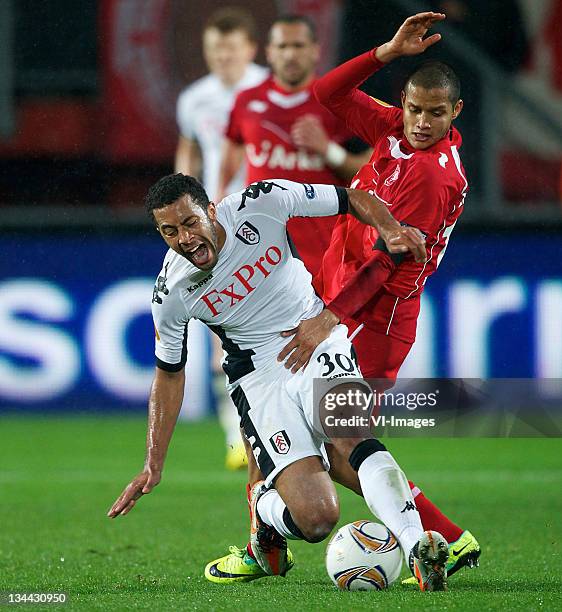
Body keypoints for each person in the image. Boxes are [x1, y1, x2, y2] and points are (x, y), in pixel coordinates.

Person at [207, 12, 480, 586]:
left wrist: (325, 319)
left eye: (436, 113)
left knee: (337, 448)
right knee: (272, 426)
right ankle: (267, 548)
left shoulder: (431, 177)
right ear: (402, 105)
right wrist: (386, 51)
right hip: (331, 300)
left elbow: (387, 263)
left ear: (456, 113)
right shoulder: (394, 132)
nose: (422, 122)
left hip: (368, 319)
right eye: (414, 109)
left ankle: (444, 538)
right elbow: (326, 92)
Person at [107, 172, 451, 592]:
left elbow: (353, 198)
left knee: (350, 434)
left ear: (211, 210)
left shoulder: (262, 202)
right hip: (259, 379)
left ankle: (419, 549)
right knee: (317, 519)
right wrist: (153, 463)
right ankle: (264, 511)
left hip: (314, 336)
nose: (185, 238)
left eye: (191, 222)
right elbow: (169, 374)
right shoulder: (171, 291)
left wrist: (391, 229)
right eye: (170, 231)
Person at [175, 7, 268, 470]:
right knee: (220, 330)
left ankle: (280, 428)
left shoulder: (267, 91)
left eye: (230, 49)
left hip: (265, 224)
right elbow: (189, 151)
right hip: (212, 229)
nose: (222, 58)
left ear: (249, 50)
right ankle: (238, 437)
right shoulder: (195, 99)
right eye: (214, 49)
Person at [218, 14, 371, 277]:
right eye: (282, 46)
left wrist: (328, 150)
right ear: (269, 52)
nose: (290, 55)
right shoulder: (246, 101)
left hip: (325, 252)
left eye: (298, 46)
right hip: (260, 255)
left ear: (315, 50)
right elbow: (230, 159)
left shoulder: (337, 101)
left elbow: (372, 167)